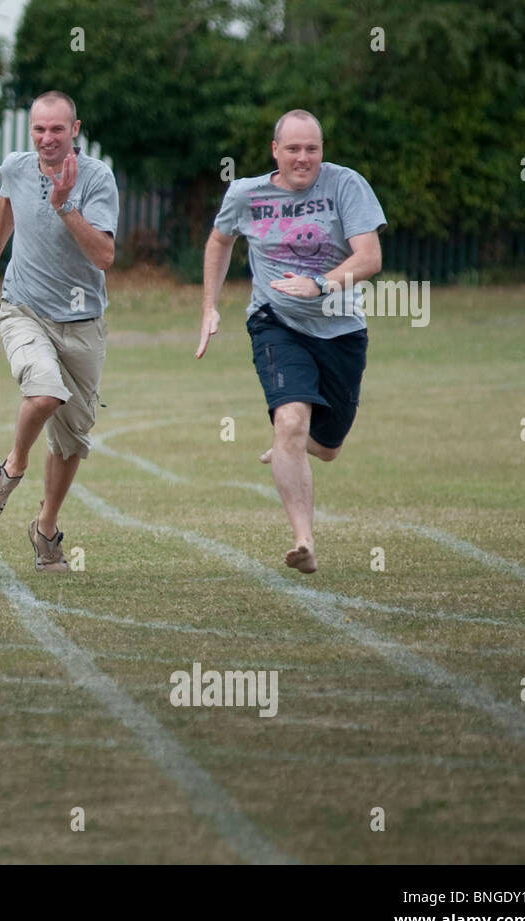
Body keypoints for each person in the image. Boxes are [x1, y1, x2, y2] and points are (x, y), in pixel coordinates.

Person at [196, 108, 385, 573]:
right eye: (294, 149)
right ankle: (303, 539)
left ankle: (291, 447)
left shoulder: (346, 185)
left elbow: (370, 257)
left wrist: (321, 283)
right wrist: (210, 306)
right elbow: (220, 241)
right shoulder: (245, 194)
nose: (304, 158)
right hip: (275, 322)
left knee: (331, 444)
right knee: (291, 422)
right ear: (275, 151)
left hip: (341, 329)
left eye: (312, 149)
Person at [0, 90, 118, 572]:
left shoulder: (97, 179)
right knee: (45, 390)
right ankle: (12, 467)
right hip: (23, 308)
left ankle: (45, 528)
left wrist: (65, 205)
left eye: (56, 129)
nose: (47, 138)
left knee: (71, 441)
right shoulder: (15, 166)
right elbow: (5, 204)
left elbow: (104, 257)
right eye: (38, 129)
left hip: (84, 320)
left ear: (75, 129)